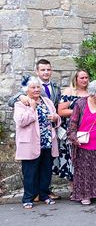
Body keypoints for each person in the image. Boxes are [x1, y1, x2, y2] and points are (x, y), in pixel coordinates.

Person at [10, 58, 62, 201]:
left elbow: (56, 115)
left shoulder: (48, 100)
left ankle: (44, 194)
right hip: (31, 141)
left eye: (38, 87)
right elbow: (21, 121)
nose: (37, 89)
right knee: (30, 172)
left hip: (47, 142)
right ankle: (28, 198)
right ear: (27, 90)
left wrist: (56, 118)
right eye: (33, 87)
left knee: (46, 171)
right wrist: (32, 109)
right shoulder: (22, 103)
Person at [54, 69, 90, 184]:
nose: (84, 80)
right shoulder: (69, 91)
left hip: (88, 130)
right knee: (73, 158)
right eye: (82, 78)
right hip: (72, 130)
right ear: (75, 79)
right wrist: (78, 111)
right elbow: (61, 111)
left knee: (86, 158)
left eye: (86, 78)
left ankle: (87, 185)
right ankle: (74, 188)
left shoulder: (91, 91)